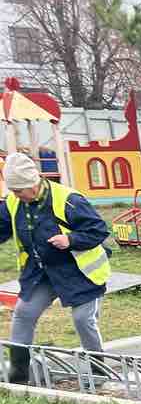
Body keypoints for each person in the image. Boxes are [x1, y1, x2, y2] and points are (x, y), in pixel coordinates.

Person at [1, 151, 112, 384]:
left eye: (20, 190)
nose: (16, 195)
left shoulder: (69, 200)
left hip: (79, 272)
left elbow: (99, 230)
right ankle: (18, 376)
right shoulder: (13, 202)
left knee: (83, 320)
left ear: (33, 183)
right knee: (23, 313)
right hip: (41, 272)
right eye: (13, 191)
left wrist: (70, 240)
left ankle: (98, 371)